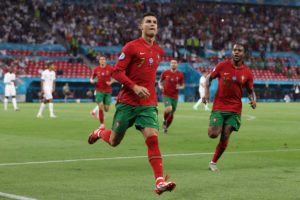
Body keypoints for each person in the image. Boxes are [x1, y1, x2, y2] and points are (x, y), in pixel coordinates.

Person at [87, 12, 176, 195]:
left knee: (152, 138)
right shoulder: (131, 47)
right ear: (141, 27)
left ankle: (159, 181)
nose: (152, 24)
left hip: (148, 103)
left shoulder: (159, 52)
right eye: (148, 22)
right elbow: (117, 73)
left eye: (155, 22)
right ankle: (99, 132)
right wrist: (134, 87)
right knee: (114, 141)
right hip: (127, 102)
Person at [202, 43, 256, 172]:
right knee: (213, 134)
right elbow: (209, 78)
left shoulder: (247, 72)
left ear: (244, 54)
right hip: (219, 106)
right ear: (232, 52)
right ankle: (218, 126)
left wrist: (253, 100)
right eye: (234, 50)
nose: (236, 52)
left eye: (239, 50)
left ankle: (213, 162)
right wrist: (206, 93)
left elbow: (250, 90)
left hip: (235, 109)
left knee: (225, 135)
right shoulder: (222, 65)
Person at [158, 59, 184, 133]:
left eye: (175, 63)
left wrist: (179, 87)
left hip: (175, 96)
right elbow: (160, 81)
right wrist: (160, 86)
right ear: (170, 64)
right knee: (169, 109)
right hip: (166, 94)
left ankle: (166, 127)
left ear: (177, 65)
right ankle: (164, 120)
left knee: (172, 113)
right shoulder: (165, 73)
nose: (173, 64)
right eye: (172, 63)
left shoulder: (180, 74)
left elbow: (182, 85)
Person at [89, 56, 114, 128]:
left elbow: (115, 76)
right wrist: (92, 81)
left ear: (106, 61)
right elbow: (92, 78)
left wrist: (111, 82)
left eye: (103, 59)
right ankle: (102, 124)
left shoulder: (110, 68)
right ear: (99, 61)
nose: (102, 61)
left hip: (108, 91)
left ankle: (95, 112)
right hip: (99, 90)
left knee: (106, 109)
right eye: (101, 59)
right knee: (100, 106)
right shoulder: (96, 69)